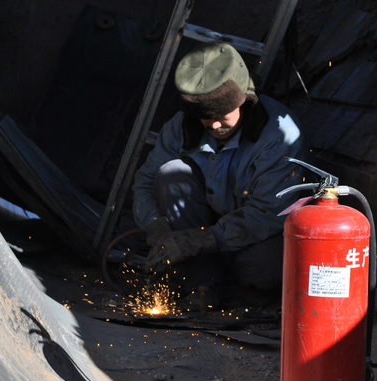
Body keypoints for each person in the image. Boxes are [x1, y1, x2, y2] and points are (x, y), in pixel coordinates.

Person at [132, 42, 310, 307]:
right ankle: (202, 284)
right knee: (171, 173)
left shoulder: (280, 136)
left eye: (223, 115)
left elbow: (268, 212)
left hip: (256, 235)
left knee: (267, 268)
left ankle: (237, 288)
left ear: (243, 100)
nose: (215, 125)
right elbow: (146, 182)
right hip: (201, 229)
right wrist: (155, 225)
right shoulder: (181, 127)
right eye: (206, 118)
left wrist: (201, 241)